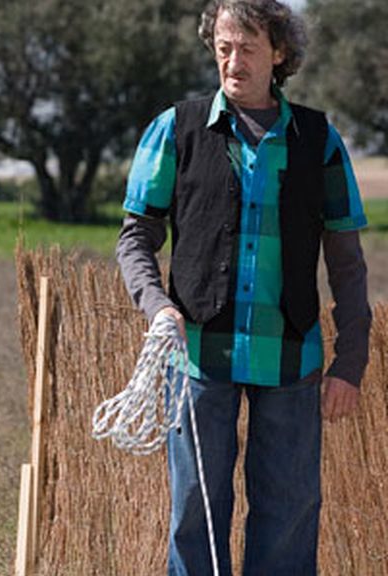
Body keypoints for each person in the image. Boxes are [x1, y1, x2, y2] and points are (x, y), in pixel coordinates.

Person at [115, 0, 372, 574]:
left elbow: (348, 263)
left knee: (289, 513)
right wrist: (156, 306)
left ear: (279, 53)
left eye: (248, 47)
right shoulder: (174, 129)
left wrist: (350, 361)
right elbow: (136, 237)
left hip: (292, 358)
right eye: (224, 47)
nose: (233, 61)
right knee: (194, 515)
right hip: (195, 358)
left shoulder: (320, 139)